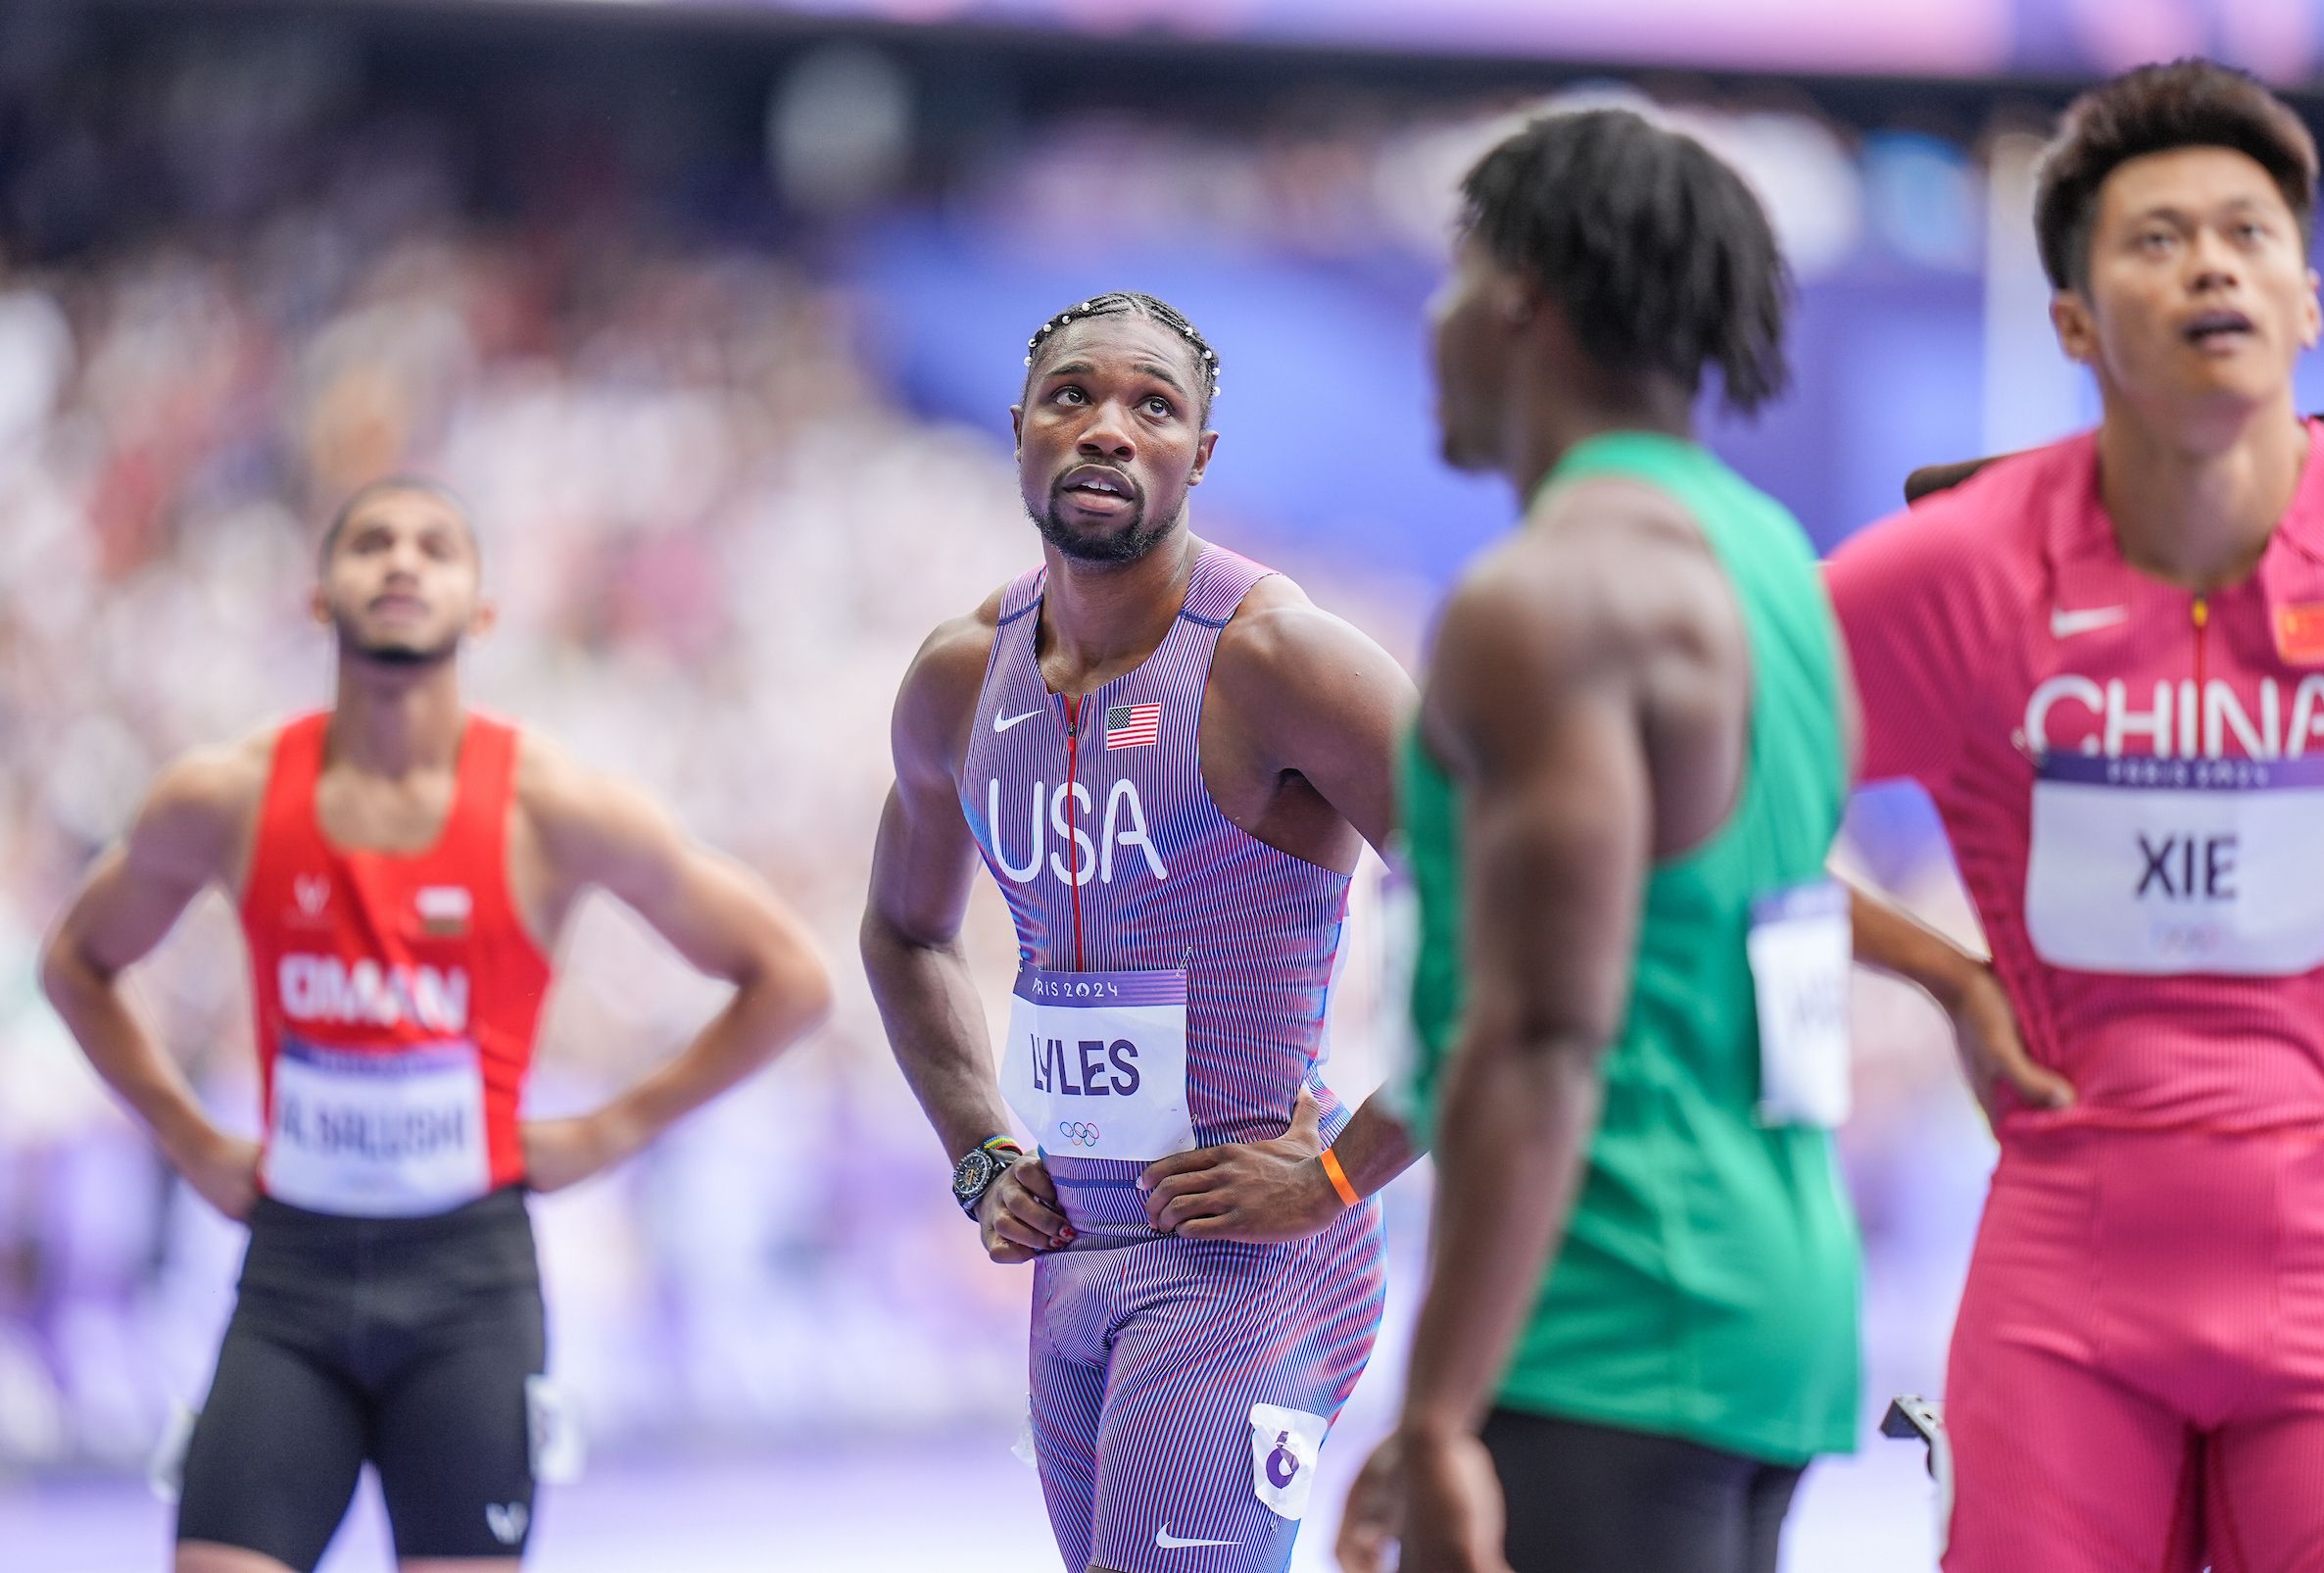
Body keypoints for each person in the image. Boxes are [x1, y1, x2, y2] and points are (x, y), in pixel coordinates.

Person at [39, 477, 833, 1573]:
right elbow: (77, 961)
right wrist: (183, 1136)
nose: (401, 563)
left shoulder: (556, 806)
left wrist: (612, 1129)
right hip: (291, 1276)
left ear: (482, 610)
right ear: (320, 599)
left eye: (434, 549)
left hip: (470, 1289)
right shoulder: (224, 798)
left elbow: (790, 977)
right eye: (371, 544)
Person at [1828, 60, 2324, 1573]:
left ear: (2305, 302)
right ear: (2072, 319)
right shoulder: (1960, 568)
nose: (2209, 265)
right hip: (2067, 1272)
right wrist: (1945, 977)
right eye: (2157, 236)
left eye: (2248, 234)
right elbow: (1682, 791)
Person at [1335, 107, 1862, 1573]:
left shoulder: (1549, 597)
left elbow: (1546, 1037)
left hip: (1608, 1318)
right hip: (1766, 1305)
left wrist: (1438, 1413)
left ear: (1521, 303)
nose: (1434, 327)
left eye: (1453, 282)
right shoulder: (1772, 564)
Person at [860, 291, 1421, 1573]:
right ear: (1018, 434)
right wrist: (978, 1153)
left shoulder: (1284, 661)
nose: (1108, 428)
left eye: (1152, 406)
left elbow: (1527, 926)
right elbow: (904, 932)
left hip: (1251, 1258)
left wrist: (1340, 1173)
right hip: (1073, 1256)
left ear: (1199, 457)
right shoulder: (960, 676)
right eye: (1074, 397)